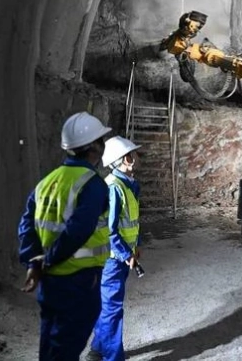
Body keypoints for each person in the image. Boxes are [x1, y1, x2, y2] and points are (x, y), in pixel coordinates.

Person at [18, 111, 113, 360]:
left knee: (51, 343)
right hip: (78, 280)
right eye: (101, 140)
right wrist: (48, 260)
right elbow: (78, 230)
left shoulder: (47, 182)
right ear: (94, 147)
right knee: (66, 349)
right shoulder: (92, 184)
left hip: (50, 282)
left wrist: (34, 263)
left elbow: (27, 224)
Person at [87, 136, 143, 361]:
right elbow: (109, 230)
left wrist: (136, 246)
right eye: (133, 153)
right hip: (111, 259)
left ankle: (98, 349)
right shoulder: (113, 188)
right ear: (125, 160)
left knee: (107, 306)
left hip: (119, 257)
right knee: (112, 309)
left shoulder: (127, 185)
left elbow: (130, 222)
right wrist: (125, 253)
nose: (137, 156)